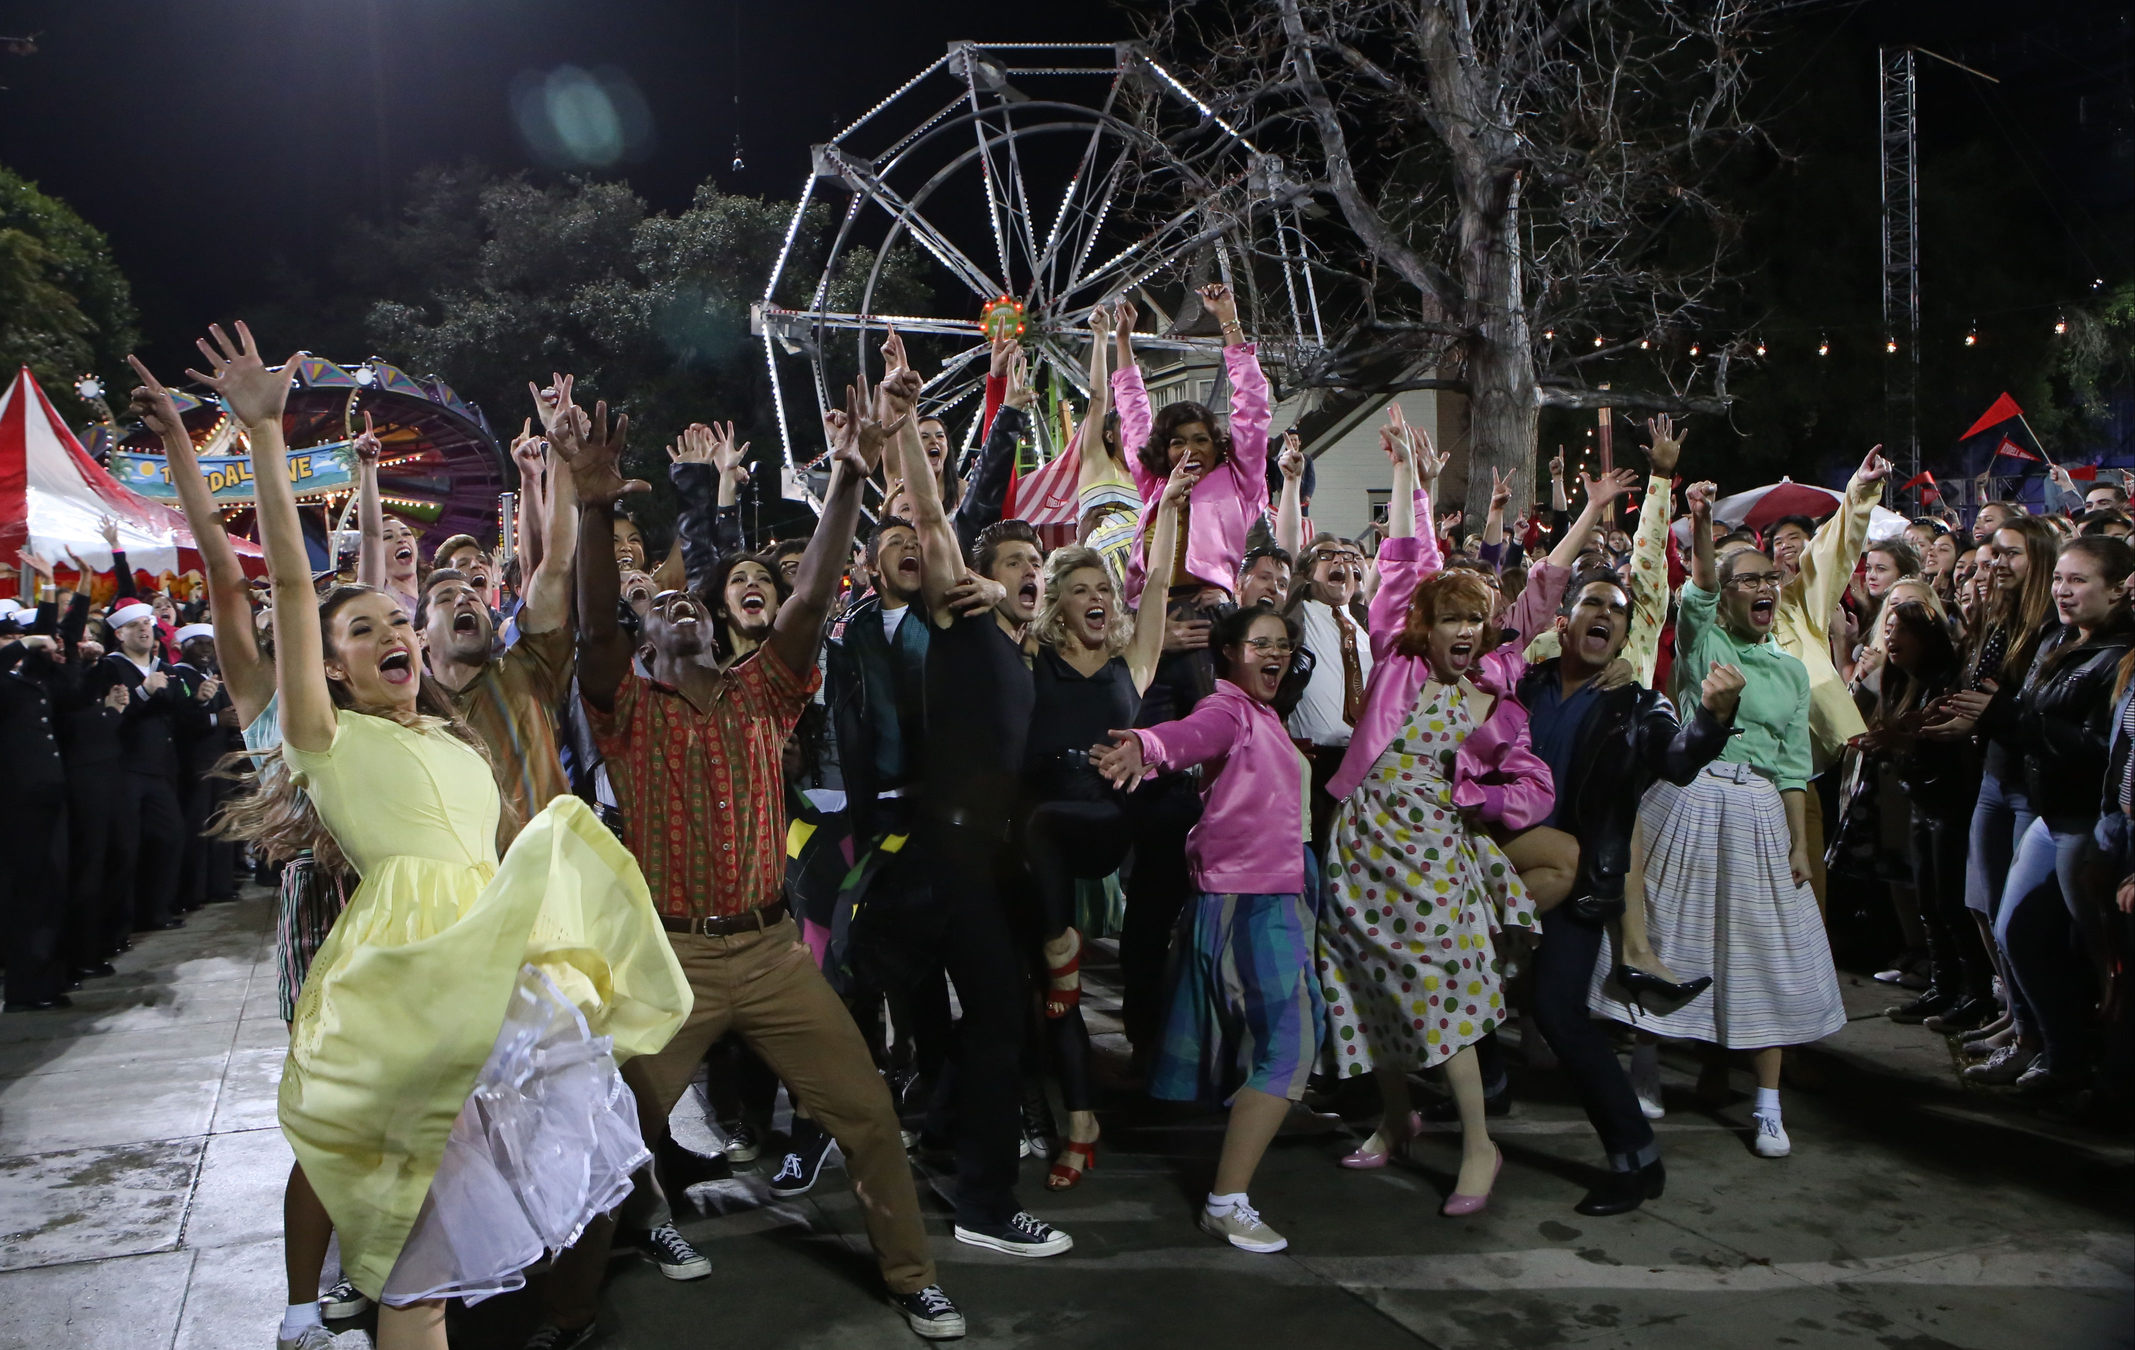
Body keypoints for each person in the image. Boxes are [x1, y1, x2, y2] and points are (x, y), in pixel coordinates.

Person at [192, 320, 689, 1350]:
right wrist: (266, 440)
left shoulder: (457, 740)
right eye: (360, 628)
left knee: (463, 1222)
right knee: (408, 1244)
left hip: (497, 981)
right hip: (408, 981)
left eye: (394, 621)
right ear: (326, 668)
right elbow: (288, 586)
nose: (389, 635)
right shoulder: (324, 739)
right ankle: (322, 1306)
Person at [555, 360, 968, 1341]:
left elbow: (812, 597)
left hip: (772, 953)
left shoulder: (762, 692)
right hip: (672, 960)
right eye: (660, 612)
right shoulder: (624, 712)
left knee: (865, 1115)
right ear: (640, 642)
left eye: (692, 604)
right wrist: (591, 506)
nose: (683, 612)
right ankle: (563, 1312)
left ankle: (912, 1277)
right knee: (606, 1139)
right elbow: (593, 624)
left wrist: (853, 477)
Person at [125, 354, 374, 1345]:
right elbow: (232, 577)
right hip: (326, 929)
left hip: (414, 925)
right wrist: (191, 444)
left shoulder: (394, 715)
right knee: (333, 1127)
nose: (287, 618)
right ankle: (303, 1306)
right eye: (287, 615)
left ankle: (393, 1269)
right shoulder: (275, 714)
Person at [1316, 421, 1554, 1217]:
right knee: (1364, 983)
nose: (1461, 629)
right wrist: (1413, 483)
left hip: (1430, 857)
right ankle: (1394, 1118)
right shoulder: (1398, 667)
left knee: (1441, 992)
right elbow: (1404, 568)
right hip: (1360, 844)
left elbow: (1532, 789)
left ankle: (1479, 1146)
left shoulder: (1491, 702)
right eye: (1449, 617)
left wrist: (1473, 800)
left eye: (1473, 620)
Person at [880, 328, 1076, 1258]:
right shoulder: (961, 624)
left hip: (985, 860)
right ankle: (985, 1208)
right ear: (976, 580)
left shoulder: (1021, 654)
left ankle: (947, 1141)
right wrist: (908, 421)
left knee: (992, 1025)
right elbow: (929, 521)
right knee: (990, 1023)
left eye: (1038, 566)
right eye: (1014, 565)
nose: (1031, 576)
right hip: (946, 858)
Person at [1590, 478, 1847, 1162]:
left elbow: (1792, 766)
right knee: (1669, 936)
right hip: (1690, 800)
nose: (1764, 586)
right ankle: (1645, 1063)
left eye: (1771, 577)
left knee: (1766, 952)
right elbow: (1699, 583)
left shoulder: (1791, 673)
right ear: (1726, 594)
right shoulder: (1704, 637)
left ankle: (1766, 1103)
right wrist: (1700, 519)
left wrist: (1798, 845)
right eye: (1749, 579)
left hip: (1759, 814)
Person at [1091, 603, 1320, 1253]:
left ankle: (1232, 1177)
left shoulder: (1265, 714)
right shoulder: (1227, 710)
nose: (1274, 654)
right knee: (1291, 1040)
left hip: (1274, 894)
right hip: (1247, 901)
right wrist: (1145, 745)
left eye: (1283, 644)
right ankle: (1226, 1200)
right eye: (1259, 644)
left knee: (1288, 1038)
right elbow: (1186, 736)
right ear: (1227, 653)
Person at [1018, 460, 1196, 1189]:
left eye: (1102, 588)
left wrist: (1170, 506)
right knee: (1053, 999)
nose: (1096, 598)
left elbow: (1154, 582)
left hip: (1102, 822)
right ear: (1056, 604)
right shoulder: (1029, 659)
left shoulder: (1133, 660)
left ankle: (1062, 946)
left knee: (1052, 827)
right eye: (1080, 590)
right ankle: (1079, 1127)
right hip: (1037, 838)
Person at [1942, 537, 2135, 1096]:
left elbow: (2104, 751)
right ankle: (2049, 1050)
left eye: (2078, 581)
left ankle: (2096, 1072)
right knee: (2013, 931)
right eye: (2060, 579)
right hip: (2049, 813)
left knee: (2104, 960)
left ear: (2119, 588)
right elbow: (2029, 715)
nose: (2062, 591)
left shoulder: (2121, 657)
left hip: (2086, 824)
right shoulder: (2056, 637)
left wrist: (2011, 721)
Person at [1111, 283, 1271, 604]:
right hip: (1154, 620)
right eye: (1178, 442)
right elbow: (1133, 417)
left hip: (1213, 617)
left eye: (1200, 440)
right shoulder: (1155, 486)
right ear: (1165, 452)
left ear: (1217, 447)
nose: (1189, 450)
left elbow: (1252, 406)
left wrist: (1228, 320)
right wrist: (1123, 341)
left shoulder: (1241, 483)